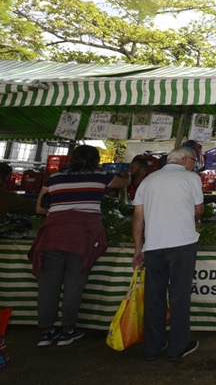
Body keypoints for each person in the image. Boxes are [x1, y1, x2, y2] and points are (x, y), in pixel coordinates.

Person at [27, 145, 130, 347]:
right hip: (82, 236)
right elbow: (123, 182)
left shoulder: (54, 178)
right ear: (96, 160)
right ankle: (68, 331)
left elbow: (40, 208)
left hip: (53, 235)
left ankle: (47, 332)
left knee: (49, 286)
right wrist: (128, 173)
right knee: (74, 284)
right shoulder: (100, 176)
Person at [133, 146, 204, 362]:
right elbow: (199, 210)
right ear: (183, 160)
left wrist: (138, 249)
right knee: (179, 297)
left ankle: (153, 348)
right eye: (193, 160)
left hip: (153, 247)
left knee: (154, 297)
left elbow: (138, 218)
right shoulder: (191, 178)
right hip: (182, 245)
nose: (194, 165)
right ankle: (177, 348)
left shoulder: (148, 181)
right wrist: (192, 219)